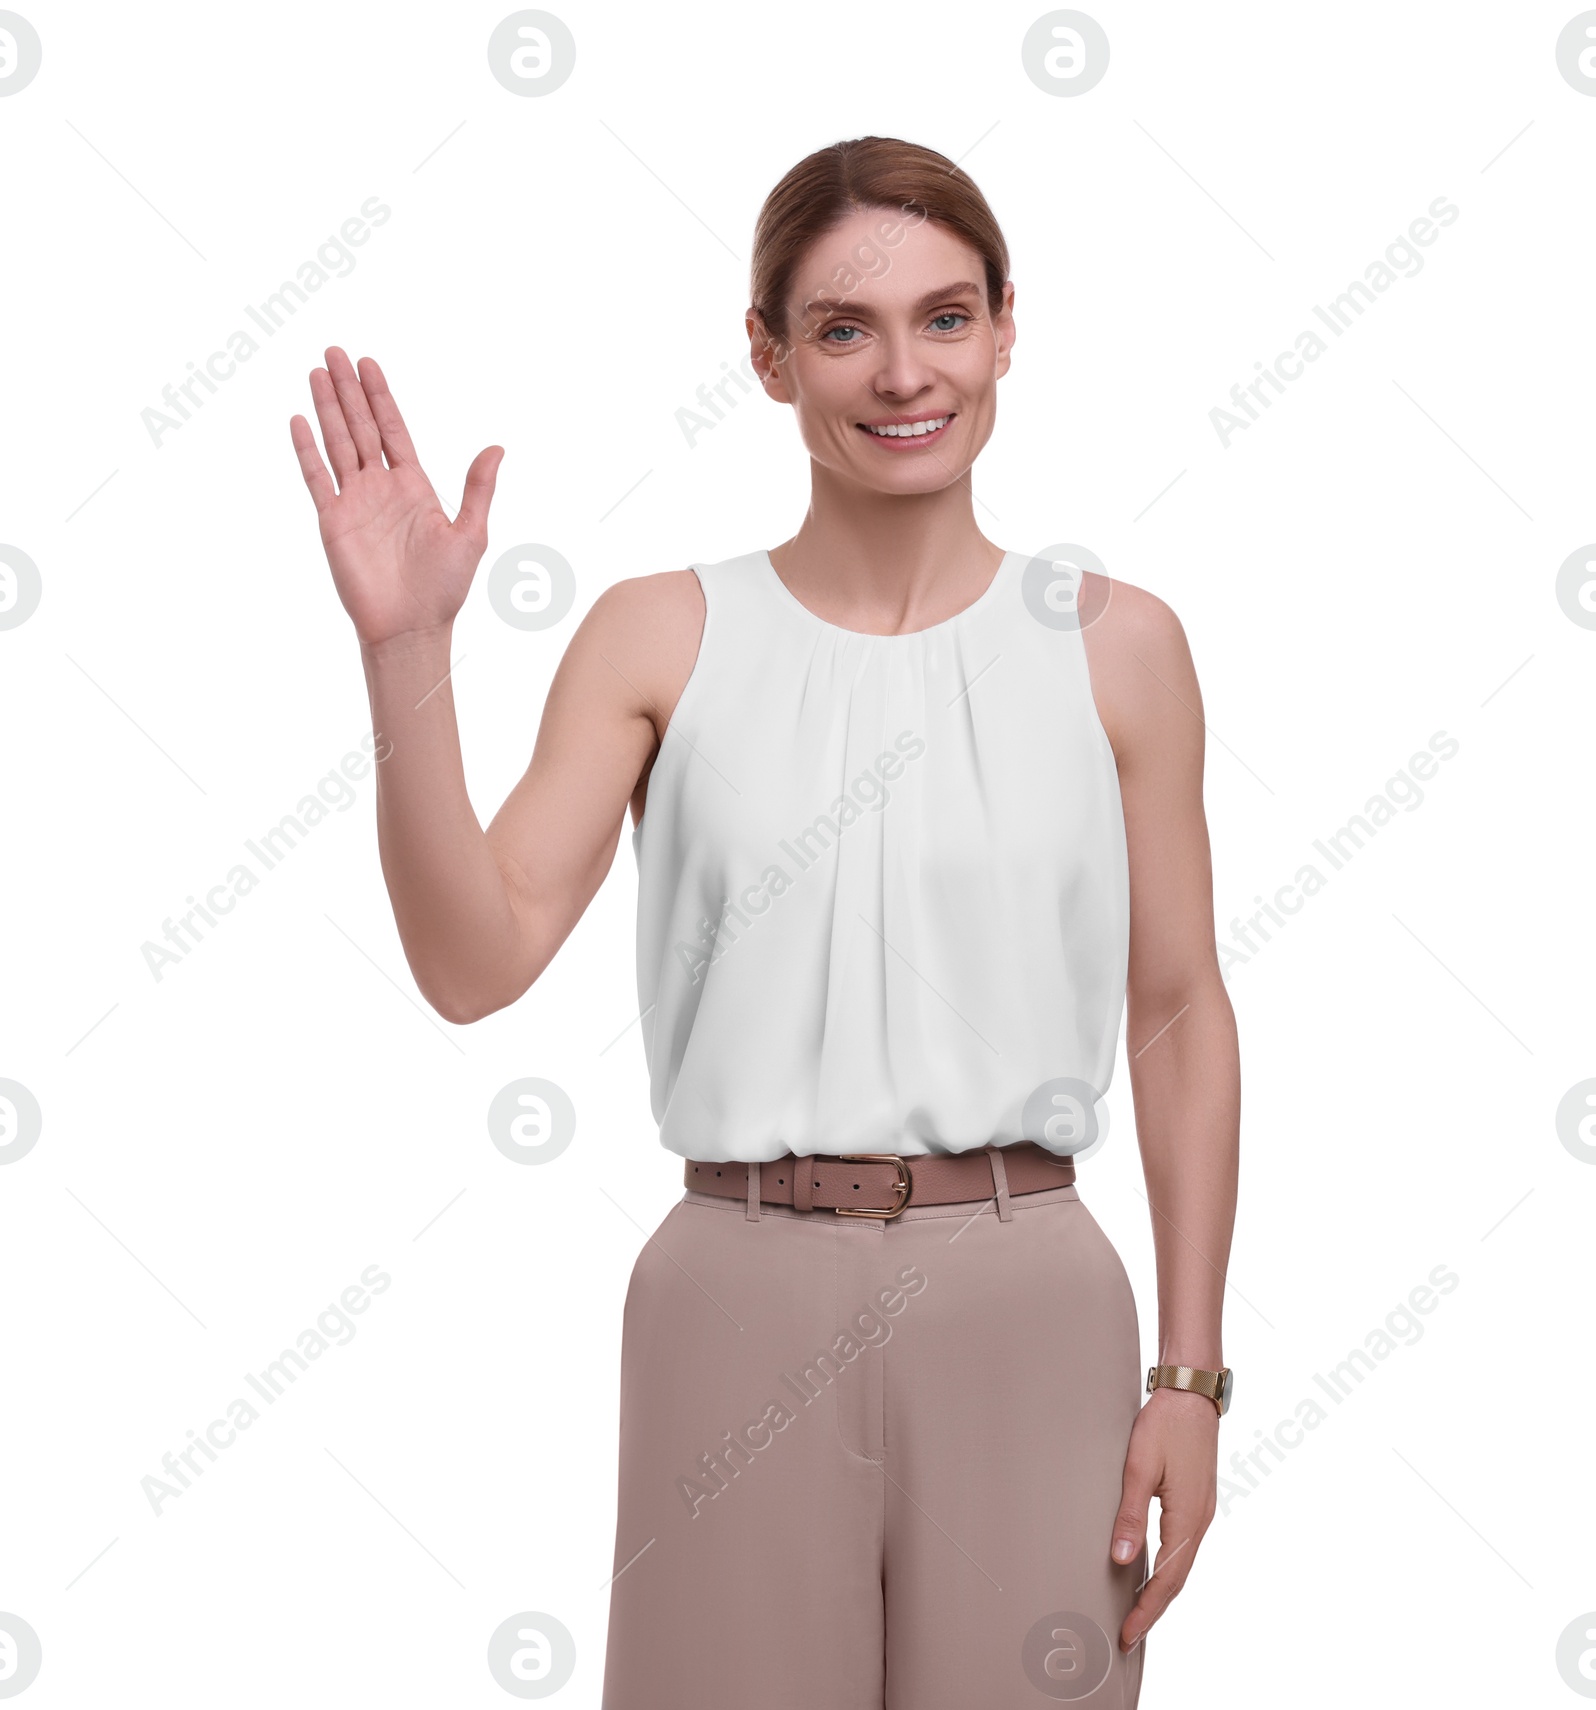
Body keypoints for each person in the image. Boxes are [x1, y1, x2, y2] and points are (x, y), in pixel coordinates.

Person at [290, 133, 1240, 1710]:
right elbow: (474, 962)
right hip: (730, 1287)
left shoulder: (1116, 645)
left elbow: (1181, 1006)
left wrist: (1194, 1378)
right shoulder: (660, 632)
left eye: (946, 317)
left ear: (1009, 327)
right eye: (844, 328)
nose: (902, 373)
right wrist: (408, 656)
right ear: (770, 358)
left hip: (1030, 1294)